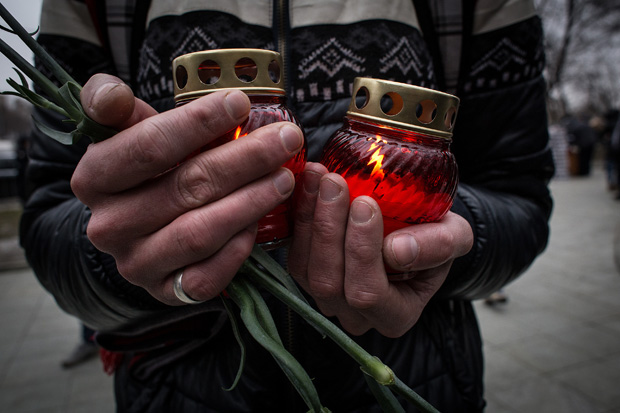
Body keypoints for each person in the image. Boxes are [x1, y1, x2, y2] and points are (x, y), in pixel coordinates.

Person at [19, 1, 554, 411]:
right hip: (178, 390)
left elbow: (521, 198)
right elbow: (50, 217)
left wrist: (435, 246)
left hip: (422, 371)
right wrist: (128, 255)